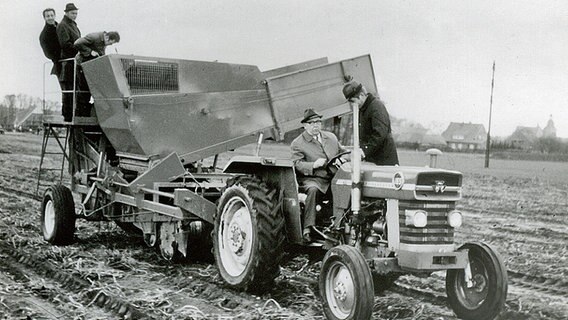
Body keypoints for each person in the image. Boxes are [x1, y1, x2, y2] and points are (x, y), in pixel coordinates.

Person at [291, 108, 347, 243]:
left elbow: (343, 152)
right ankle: (308, 228)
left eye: (318, 122)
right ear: (305, 125)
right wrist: (313, 165)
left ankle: (339, 225)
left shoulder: (331, 137)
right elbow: (296, 164)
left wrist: (347, 157)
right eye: (312, 123)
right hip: (311, 179)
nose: (316, 125)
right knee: (313, 190)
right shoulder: (298, 143)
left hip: (332, 178)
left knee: (345, 188)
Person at [342, 77, 399, 165]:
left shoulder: (376, 107)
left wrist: (365, 150)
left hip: (384, 160)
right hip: (373, 159)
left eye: (353, 101)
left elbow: (380, 134)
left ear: (361, 95)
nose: (352, 104)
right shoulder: (363, 109)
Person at [73, 31, 120, 116]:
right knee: (84, 90)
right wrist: (90, 51)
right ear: (107, 38)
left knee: (91, 89)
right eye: (110, 43)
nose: (110, 45)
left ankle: (90, 112)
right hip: (82, 65)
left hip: (91, 67)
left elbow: (100, 54)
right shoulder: (94, 37)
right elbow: (77, 43)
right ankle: (81, 115)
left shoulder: (103, 42)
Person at [56, 3, 81, 122]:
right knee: (68, 90)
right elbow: (65, 44)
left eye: (76, 13)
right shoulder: (63, 25)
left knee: (75, 89)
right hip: (68, 62)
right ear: (66, 13)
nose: (75, 15)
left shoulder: (73, 25)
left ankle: (75, 113)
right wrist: (80, 51)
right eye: (72, 13)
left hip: (75, 62)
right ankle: (67, 116)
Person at [39, 8, 61, 79]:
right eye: (48, 16)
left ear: (55, 16)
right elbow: (48, 53)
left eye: (52, 15)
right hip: (60, 63)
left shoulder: (61, 27)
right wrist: (59, 57)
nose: (50, 18)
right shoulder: (44, 35)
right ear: (44, 18)